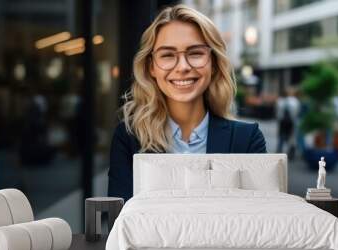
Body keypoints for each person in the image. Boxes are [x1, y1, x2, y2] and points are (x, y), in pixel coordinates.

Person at [108, 4, 267, 201]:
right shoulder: (129, 137)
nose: (183, 67)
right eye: (167, 55)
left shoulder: (247, 139)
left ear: (214, 63)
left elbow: (260, 221)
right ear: (151, 67)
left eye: (195, 53)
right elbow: (119, 221)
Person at [276, 86, 300, 159]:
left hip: (282, 121)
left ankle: (279, 151)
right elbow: (297, 112)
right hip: (290, 122)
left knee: (282, 137)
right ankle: (290, 153)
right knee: (291, 138)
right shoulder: (295, 101)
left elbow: (278, 112)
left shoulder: (280, 101)